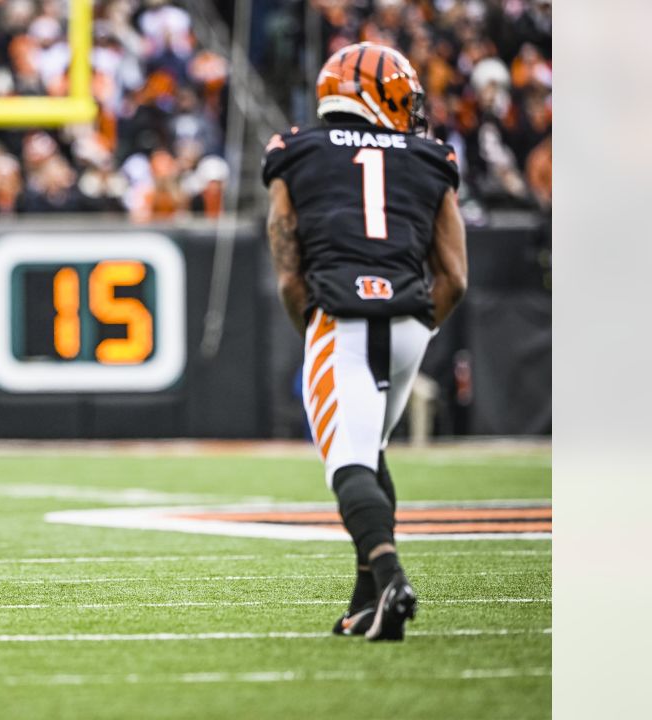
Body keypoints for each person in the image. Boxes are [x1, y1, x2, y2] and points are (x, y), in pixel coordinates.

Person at [262, 43, 468, 641]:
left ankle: (392, 576)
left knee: (348, 462)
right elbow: (455, 277)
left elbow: (287, 260)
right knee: (371, 449)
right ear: (371, 95)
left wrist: (318, 327)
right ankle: (365, 603)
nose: (410, 111)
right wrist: (420, 328)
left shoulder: (294, 148)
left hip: (341, 317)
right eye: (403, 99)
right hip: (409, 321)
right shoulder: (431, 156)